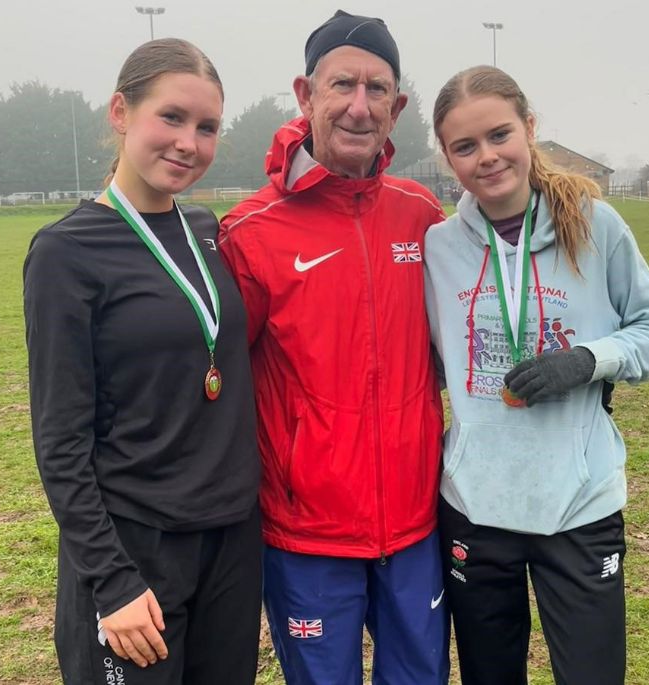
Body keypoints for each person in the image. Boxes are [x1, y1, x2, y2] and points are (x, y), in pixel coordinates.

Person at [424, 66, 649, 685]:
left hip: (580, 505)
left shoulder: (595, 226)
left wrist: (588, 360)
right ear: (447, 158)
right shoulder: (438, 247)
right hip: (476, 507)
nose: (486, 157)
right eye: (465, 146)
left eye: (498, 135)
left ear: (529, 128)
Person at [218, 10, 449, 685]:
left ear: (397, 106)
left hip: (414, 525)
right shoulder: (250, 232)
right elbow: (221, 382)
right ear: (304, 94)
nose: (359, 105)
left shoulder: (422, 216)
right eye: (341, 84)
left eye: (378, 89)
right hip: (306, 536)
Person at [23, 38, 262, 685]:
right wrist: (112, 578)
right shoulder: (65, 253)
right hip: (136, 547)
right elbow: (60, 438)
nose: (189, 141)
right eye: (172, 117)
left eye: (207, 127)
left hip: (233, 542)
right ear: (121, 112)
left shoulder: (210, 233)